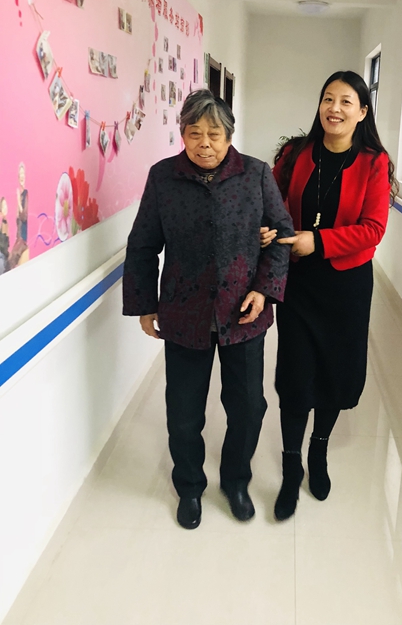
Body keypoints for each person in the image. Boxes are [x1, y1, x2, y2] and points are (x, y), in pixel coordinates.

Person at [122, 90, 293, 530]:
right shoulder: (163, 178)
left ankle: (235, 481)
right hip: (184, 312)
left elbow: (282, 235)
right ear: (182, 134)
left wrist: (265, 291)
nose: (204, 144)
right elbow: (142, 245)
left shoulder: (255, 174)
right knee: (183, 414)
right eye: (194, 133)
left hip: (244, 313)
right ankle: (189, 487)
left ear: (229, 136)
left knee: (248, 408)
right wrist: (144, 304)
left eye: (214, 134)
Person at [266, 69, 398, 521]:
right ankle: (290, 466)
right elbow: (271, 203)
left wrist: (317, 241)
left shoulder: (374, 163)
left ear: (362, 112)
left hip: (346, 287)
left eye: (345, 101)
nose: (334, 108)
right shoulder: (295, 153)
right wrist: (269, 229)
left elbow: (373, 229)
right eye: (328, 98)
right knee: (295, 374)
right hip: (299, 283)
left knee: (333, 374)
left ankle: (318, 450)